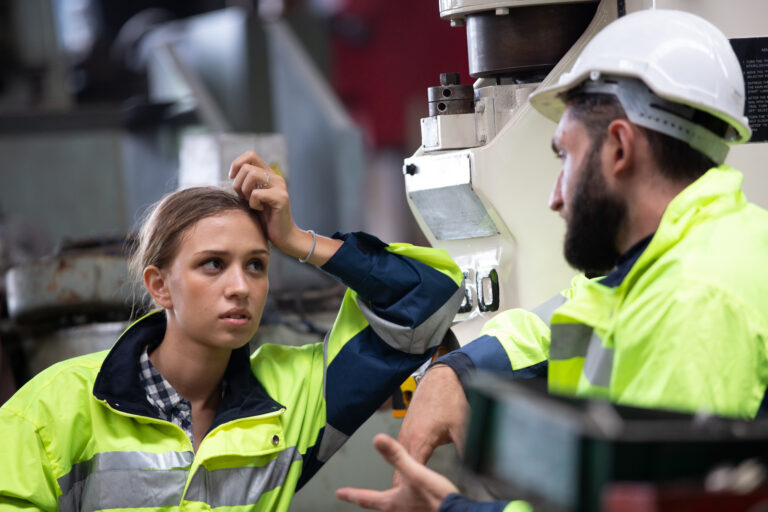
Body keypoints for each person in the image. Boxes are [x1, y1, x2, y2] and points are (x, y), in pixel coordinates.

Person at [335, 9, 768, 512]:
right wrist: (461, 369)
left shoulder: (694, 304)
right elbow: (570, 315)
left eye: (566, 156)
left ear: (620, 149)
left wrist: (450, 510)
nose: (555, 198)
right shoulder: (708, 243)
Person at [0, 151, 464, 511]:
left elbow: (427, 298)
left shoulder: (292, 398)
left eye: (257, 265)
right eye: (213, 265)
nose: (240, 287)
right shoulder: (52, 409)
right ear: (160, 286)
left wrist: (299, 240)